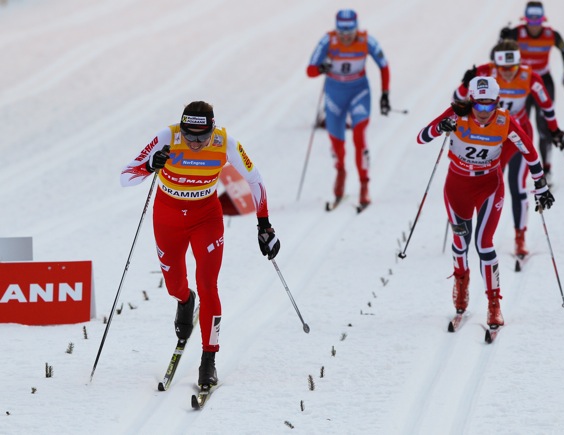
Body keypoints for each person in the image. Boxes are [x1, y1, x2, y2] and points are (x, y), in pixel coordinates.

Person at [120, 101, 281, 388]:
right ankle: (184, 300)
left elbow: (254, 179)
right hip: (168, 217)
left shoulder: (225, 143)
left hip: (206, 217)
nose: (195, 144)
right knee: (174, 284)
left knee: (208, 284)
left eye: (201, 137)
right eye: (189, 136)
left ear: (212, 130)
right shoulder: (167, 138)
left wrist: (264, 224)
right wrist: (149, 166)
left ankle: (209, 359)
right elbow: (126, 176)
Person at [416, 77, 554, 328]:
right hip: (457, 187)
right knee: (460, 243)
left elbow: (530, 152)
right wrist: (440, 127)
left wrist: (541, 185)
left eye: (489, 106)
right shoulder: (457, 114)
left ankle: (494, 304)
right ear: (471, 102)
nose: (482, 112)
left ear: (497, 103)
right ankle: (461, 282)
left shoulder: (504, 121)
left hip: (489, 186)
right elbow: (421, 137)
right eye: (478, 106)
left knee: (484, 244)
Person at [454, 39, 564, 258]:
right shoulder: (484, 73)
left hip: (517, 135)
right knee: (482, 184)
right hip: (489, 139)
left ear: (519, 64)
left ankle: (519, 236)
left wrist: (554, 130)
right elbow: (457, 103)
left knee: (517, 185)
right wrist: (463, 84)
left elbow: (546, 106)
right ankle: (472, 233)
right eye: (502, 68)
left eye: (512, 68)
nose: (506, 73)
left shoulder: (530, 77)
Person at [306, 9, 391, 208]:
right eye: (342, 34)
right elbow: (310, 70)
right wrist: (321, 69)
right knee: (336, 140)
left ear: (356, 29)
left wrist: (385, 94)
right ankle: (341, 172)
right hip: (335, 93)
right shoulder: (327, 41)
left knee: (359, 135)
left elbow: (384, 65)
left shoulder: (366, 40)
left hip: (359, 91)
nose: (346, 38)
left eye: (350, 34)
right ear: (336, 31)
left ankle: (364, 184)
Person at [499, 1, 564, 180]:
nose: (534, 26)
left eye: (537, 21)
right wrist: (502, 39)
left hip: (542, 80)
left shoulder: (551, 34)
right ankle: (510, 168)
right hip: (521, 82)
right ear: (525, 20)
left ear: (542, 20)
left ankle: (546, 170)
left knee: (544, 126)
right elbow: (498, 55)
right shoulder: (517, 32)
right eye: (530, 22)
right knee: (517, 125)